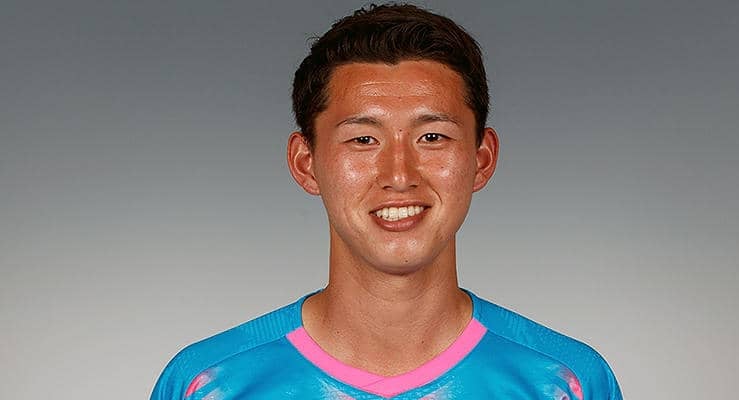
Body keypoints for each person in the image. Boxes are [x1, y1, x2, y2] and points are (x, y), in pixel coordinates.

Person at [151, 4, 622, 399]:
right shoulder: (207, 385)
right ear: (305, 162)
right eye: (363, 140)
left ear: (481, 159)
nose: (400, 175)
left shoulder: (566, 384)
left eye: (432, 137)